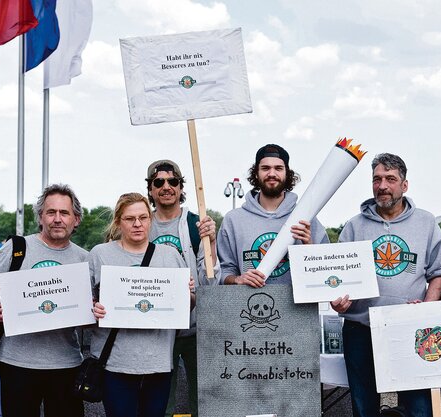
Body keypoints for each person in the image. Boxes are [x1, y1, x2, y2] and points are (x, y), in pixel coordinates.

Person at [331, 153, 441, 417]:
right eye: (377, 179)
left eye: (390, 179)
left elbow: (439, 272)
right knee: (364, 408)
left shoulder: (426, 222)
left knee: (419, 409)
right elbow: (337, 278)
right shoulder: (354, 226)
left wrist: (426, 311)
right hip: (361, 330)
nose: (382, 185)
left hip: (412, 330)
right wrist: (336, 299)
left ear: (404, 185)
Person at [0, 184, 88, 417]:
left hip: (66, 364)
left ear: (76, 219)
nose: (57, 219)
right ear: (40, 217)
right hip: (17, 363)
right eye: (51, 212)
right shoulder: (16, 249)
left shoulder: (85, 259)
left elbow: (91, 313)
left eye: (64, 213)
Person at [90, 192, 194, 417]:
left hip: (158, 361)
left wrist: (186, 294)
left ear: (151, 219)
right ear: (118, 221)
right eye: (129, 219)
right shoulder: (100, 254)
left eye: (143, 217)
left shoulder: (170, 255)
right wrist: (93, 308)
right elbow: (84, 305)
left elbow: (188, 306)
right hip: (115, 362)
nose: (137, 224)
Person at [145, 159, 218, 417]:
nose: (166, 187)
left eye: (172, 181)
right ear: (150, 189)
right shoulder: (141, 223)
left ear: (181, 186)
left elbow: (210, 279)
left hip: (195, 329)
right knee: (160, 403)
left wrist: (212, 243)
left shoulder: (196, 224)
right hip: (156, 331)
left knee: (204, 401)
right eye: (159, 182)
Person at [217, 143, 328, 287]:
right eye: (265, 168)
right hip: (249, 306)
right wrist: (237, 279)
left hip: (298, 308)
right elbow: (222, 272)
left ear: (287, 173)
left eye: (278, 168)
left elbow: (325, 269)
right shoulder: (233, 220)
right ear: (256, 173)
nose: (272, 174)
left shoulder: (307, 217)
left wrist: (309, 246)